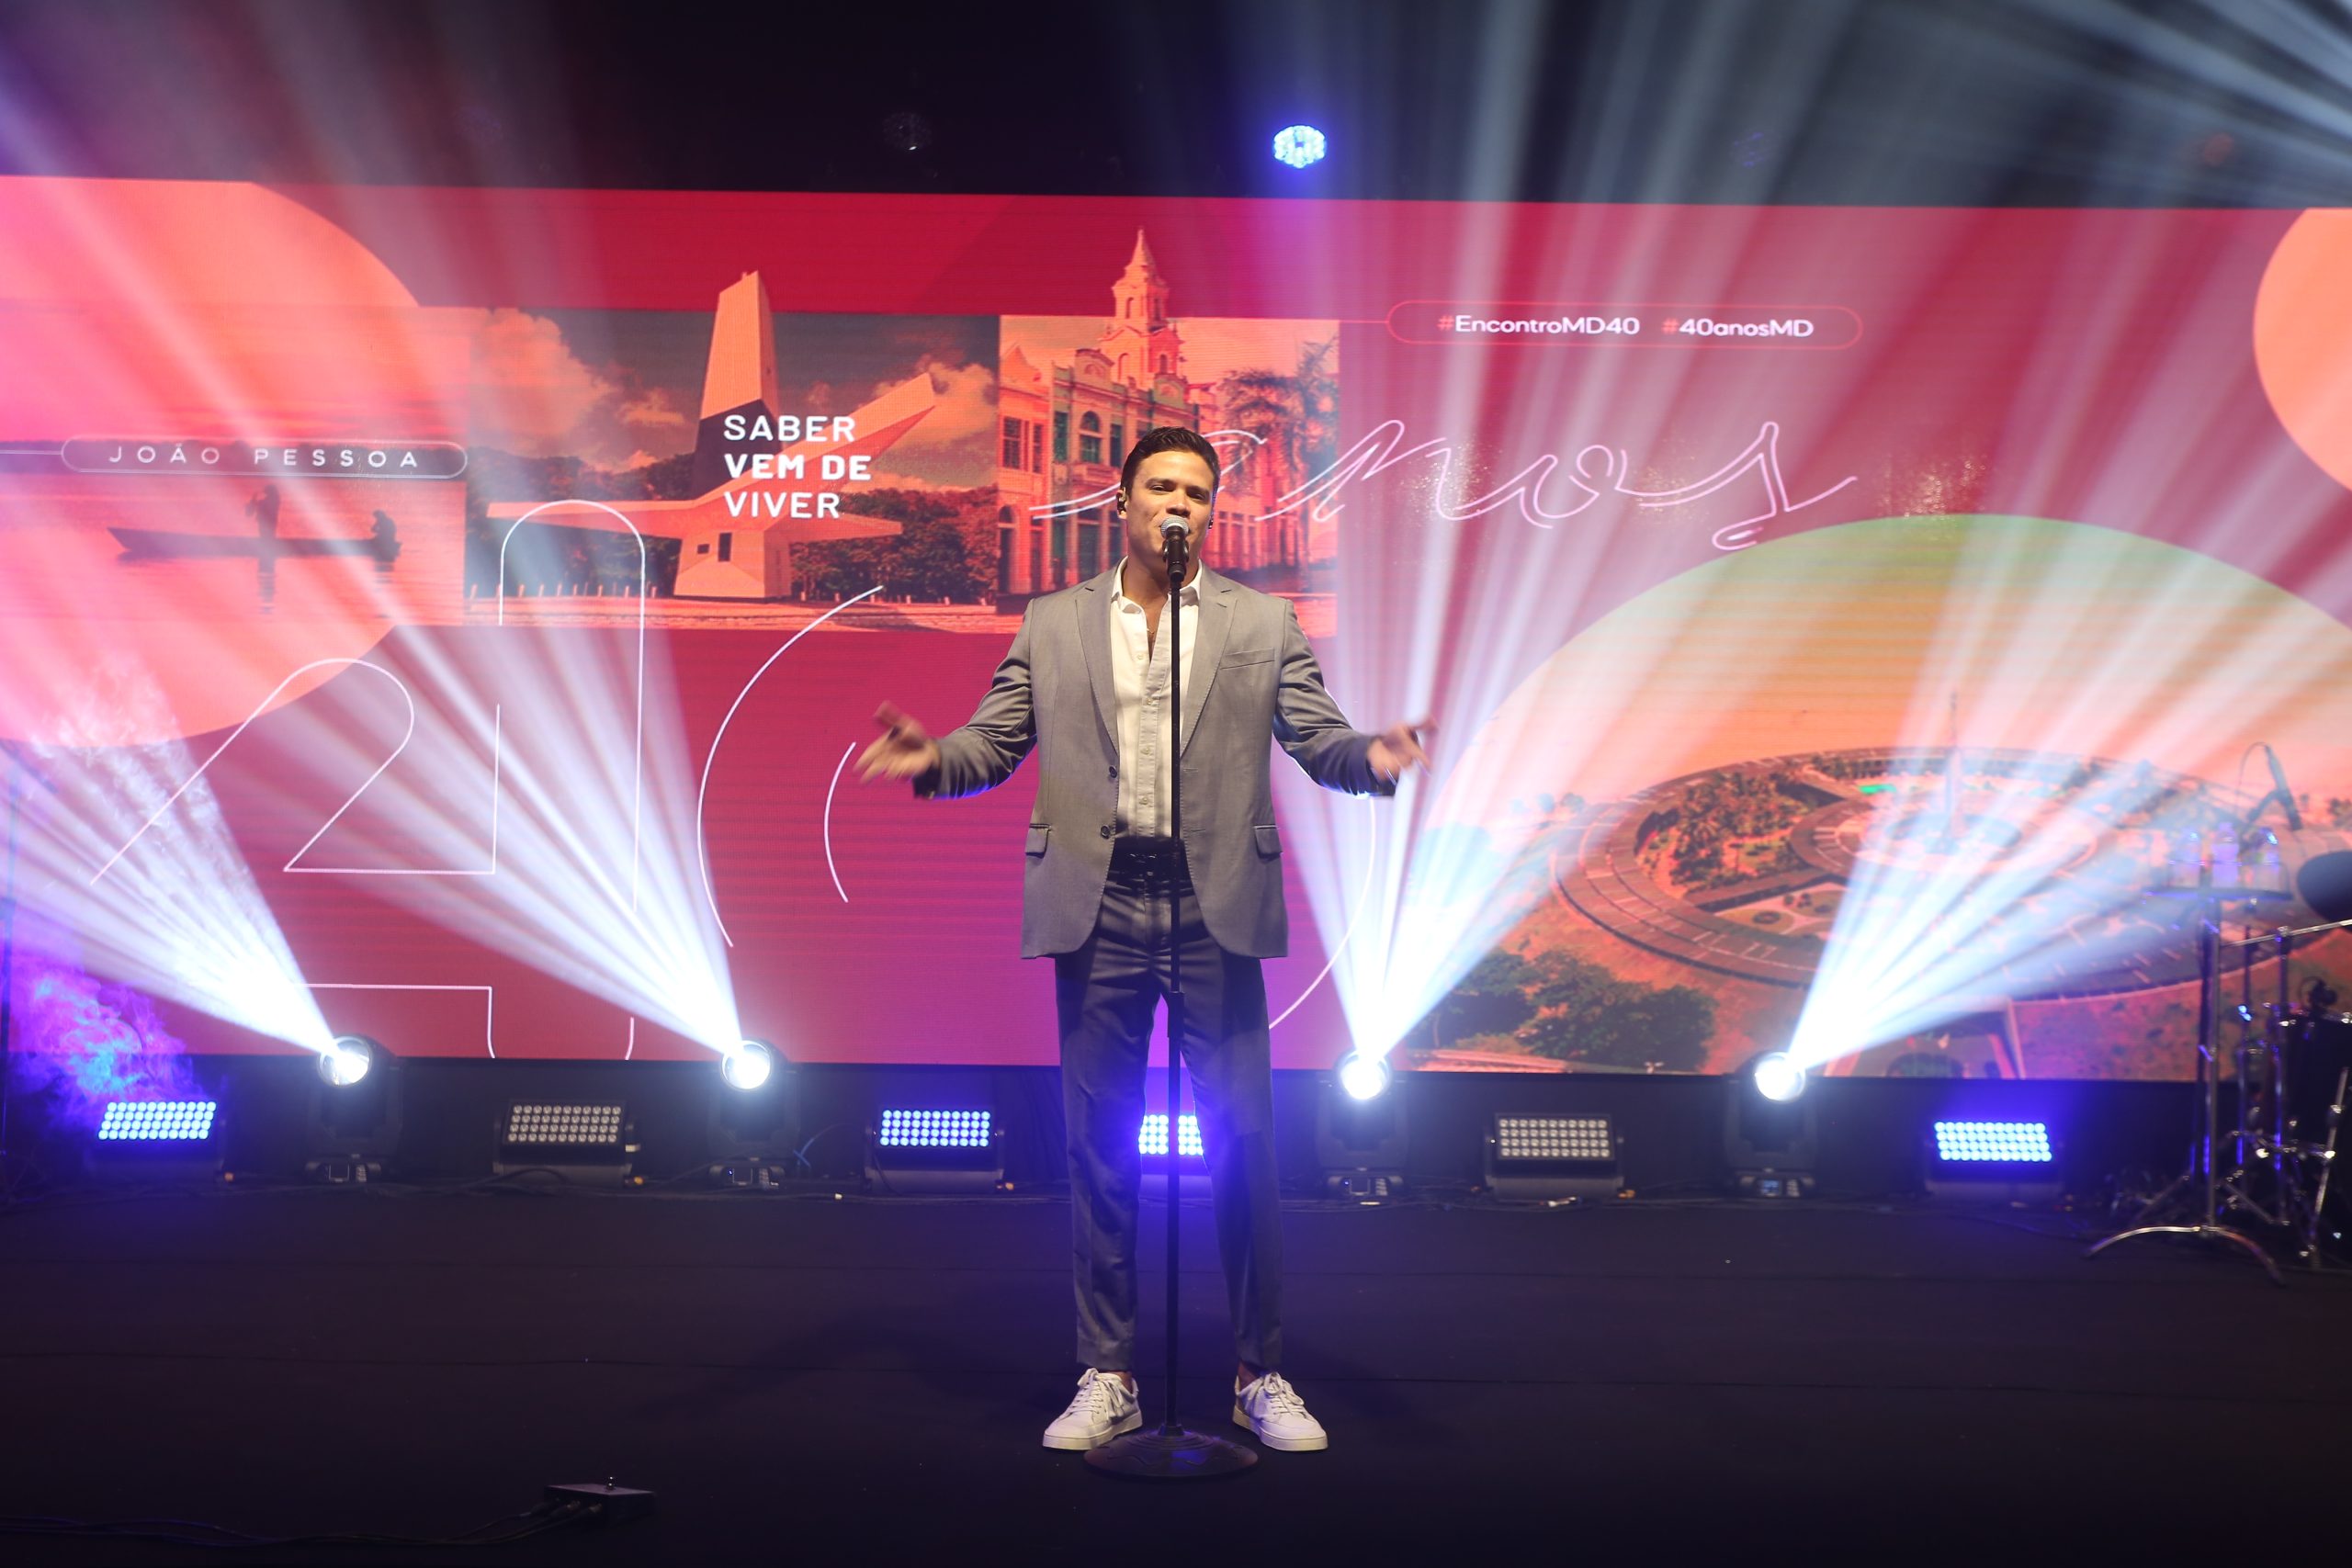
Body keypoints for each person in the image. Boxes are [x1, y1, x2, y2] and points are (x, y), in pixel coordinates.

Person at [859, 427, 1429, 1454]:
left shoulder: (1261, 620)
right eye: (1161, 487)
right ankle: (1109, 1373)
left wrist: (1372, 758)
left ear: (1211, 512)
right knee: (1100, 1148)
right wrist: (933, 758)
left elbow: (1317, 737)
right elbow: (996, 741)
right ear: (1119, 503)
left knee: (1243, 1144)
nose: (1180, 505)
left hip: (1214, 906)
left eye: (1197, 493)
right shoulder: (1054, 621)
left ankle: (1258, 1373)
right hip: (1102, 900)